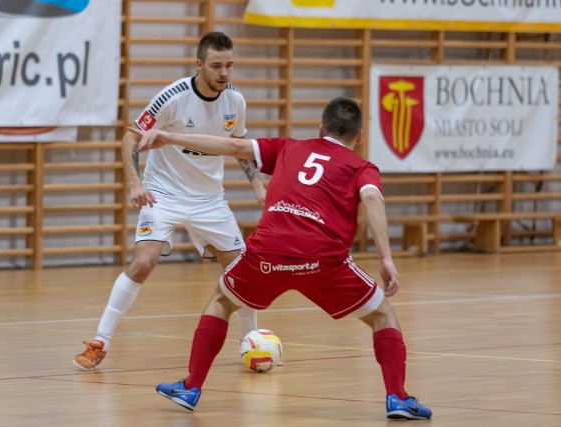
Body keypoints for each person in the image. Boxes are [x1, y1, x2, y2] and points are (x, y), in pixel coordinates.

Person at [133, 97, 432, 420]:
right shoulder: (361, 167)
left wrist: (170, 137)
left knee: (221, 301)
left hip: (268, 252)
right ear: (359, 136)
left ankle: (191, 387)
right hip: (323, 260)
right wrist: (385, 257)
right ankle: (398, 398)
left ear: (320, 128)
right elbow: (371, 196)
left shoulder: (289, 147)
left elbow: (230, 147)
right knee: (382, 316)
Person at [73, 32, 266, 371]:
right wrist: (135, 184)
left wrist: (256, 184)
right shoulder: (173, 97)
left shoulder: (235, 102)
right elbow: (129, 137)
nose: (224, 73)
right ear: (199, 65)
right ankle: (100, 340)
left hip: (209, 199)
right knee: (143, 263)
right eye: (217, 66)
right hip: (163, 193)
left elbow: (239, 144)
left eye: (230, 66)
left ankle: (251, 344)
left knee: (242, 271)